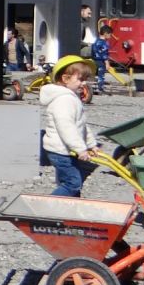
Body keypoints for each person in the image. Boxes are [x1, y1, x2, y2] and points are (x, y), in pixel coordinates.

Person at [40, 54, 103, 197]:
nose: (83, 83)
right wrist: (80, 149)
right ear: (65, 79)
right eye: (80, 79)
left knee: (70, 181)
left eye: (85, 79)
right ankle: (49, 205)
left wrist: (91, 145)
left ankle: (68, 205)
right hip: (61, 151)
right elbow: (66, 128)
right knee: (72, 183)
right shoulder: (64, 100)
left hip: (66, 149)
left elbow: (81, 125)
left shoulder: (71, 98)